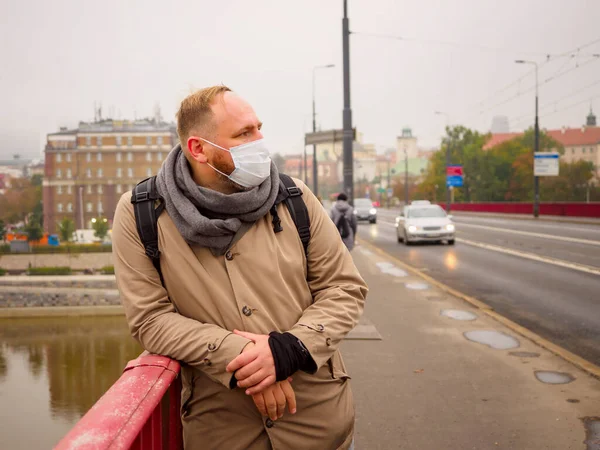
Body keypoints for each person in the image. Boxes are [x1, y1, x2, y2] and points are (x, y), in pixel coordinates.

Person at [112, 85, 368, 450]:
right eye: (245, 133)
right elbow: (149, 318)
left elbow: (344, 287)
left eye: (258, 128)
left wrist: (289, 350)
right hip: (223, 433)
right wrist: (243, 356)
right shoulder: (140, 212)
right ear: (199, 149)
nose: (260, 141)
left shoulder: (294, 197)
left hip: (318, 425)